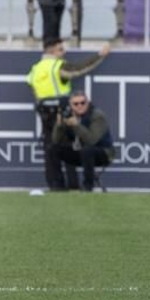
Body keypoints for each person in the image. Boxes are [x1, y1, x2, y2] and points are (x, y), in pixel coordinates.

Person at [25, 37, 108, 191]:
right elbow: (79, 68)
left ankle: (56, 186)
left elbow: (30, 83)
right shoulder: (58, 66)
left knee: (50, 147)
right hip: (61, 109)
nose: (64, 52)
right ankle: (73, 184)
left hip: (44, 110)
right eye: (61, 49)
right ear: (52, 51)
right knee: (68, 145)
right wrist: (100, 55)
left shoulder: (35, 68)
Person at [51, 88, 113, 192]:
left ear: (87, 103)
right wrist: (59, 125)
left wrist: (76, 125)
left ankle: (88, 186)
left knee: (87, 150)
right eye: (76, 104)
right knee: (52, 148)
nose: (79, 106)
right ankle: (58, 186)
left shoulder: (97, 115)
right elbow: (55, 140)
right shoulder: (68, 115)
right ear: (71, 105)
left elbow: (92, 140)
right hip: (80, 152)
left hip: (103, 152)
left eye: (82, 103)